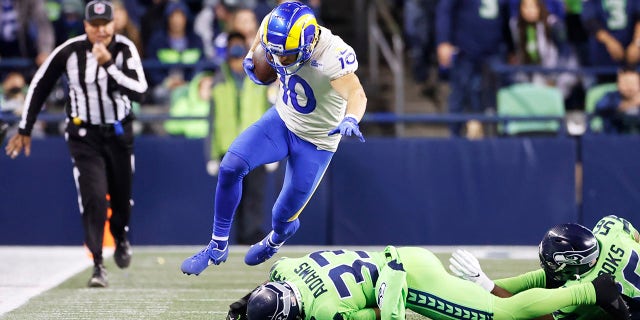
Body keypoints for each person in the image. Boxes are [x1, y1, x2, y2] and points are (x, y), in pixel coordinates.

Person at [180, 1, 367, 274]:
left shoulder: (333, 54)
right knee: (230, 166)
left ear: (306, 44)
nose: (279, 61)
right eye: (276, 54)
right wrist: (251, 52)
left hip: (317, 141)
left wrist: (351, 118)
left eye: (287, 56)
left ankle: (275, 239)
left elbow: (356, 93)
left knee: (282, 216)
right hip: (282, 120)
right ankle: (217, 246)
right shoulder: (273, 25)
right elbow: (264, 33)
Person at [4, 0, 148, 288]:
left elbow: (139, 91)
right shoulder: (69, 51)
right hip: (84, 136)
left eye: (104, 24)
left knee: (121, 200)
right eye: (94, 25)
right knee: (93, 196)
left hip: (119, 134)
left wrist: (108, 65)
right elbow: (41, 84)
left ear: (113, 24)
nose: (100, 30)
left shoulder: (123, 49)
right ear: (85, 26)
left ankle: (120, 236)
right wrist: (26, 127)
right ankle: (97, 263)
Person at [224, 246, 630, 320]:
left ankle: (592, 290)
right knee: (486, 294)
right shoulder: (286, 271)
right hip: (405, 259)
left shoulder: (324, 312)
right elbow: (274, 276)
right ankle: (563, 284)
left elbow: (379, 314)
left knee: (500, 316)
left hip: (408, 280)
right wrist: (248, 301)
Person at [450, 215, 640, 319]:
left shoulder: (584, 287)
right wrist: (480, 283)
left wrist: (485, 285)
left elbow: (525, 311)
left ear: (573, 261)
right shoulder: (612, 228)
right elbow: (636, 237)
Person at [595, 66, 640, 134]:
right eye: (625, 83)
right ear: (618, 83)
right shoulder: (610, 97)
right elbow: (599, 108)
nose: (629, 88)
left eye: (632, 83)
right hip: (614, 139)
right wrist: (631, 103)